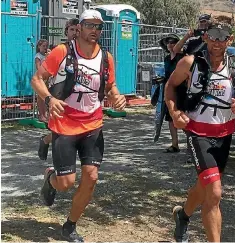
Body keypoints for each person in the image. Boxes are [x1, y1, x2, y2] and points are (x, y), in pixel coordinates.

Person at [30, 10, 126, 242]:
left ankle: (70, 225)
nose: (95, 30)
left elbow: (110, 86)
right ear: (79, 27)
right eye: (90, 25)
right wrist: (50, 99)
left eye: (99, 27)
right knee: (66, 183)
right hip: (64, 125)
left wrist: (117, 96)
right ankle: (51, 178)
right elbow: (37, 79)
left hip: (93, 124)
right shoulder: (63, 52)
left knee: (91, 178)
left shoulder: (106, 57)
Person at [165, 22, 235, 242]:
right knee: (214, 193)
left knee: (205, 187)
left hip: (224, 135)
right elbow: (170, 86)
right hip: (198, 134)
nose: (217, 42)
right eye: (213, 37)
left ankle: (183, 215)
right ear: (205, 37)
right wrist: (175, 112)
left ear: (230, 40)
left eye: (222, 37)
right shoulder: (191, 63)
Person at [38, 18, 80, 161]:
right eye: (72, 30)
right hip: (59, 97)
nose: (75, 33)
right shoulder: (60, 51)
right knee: (60, 131)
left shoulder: (85, 52)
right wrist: (46, 102)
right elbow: (40, 78)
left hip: (77, 100)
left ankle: (46, 141)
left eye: (77, 30)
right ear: (66, 31)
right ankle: (45, 141)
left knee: (71, 131)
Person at [159, 34, 185, 152]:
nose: (170, 44)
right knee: (170, 117)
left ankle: (192, 147)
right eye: (168, 42)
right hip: (169, 90)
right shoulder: (166, 58)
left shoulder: (183, 58)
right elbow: (168, 75)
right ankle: (175, 144)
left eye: (173, 42)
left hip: (182, 90)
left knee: (184, 117)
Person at [35, 39, 50, 123]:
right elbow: (38, 67)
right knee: (41, 97)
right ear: (39, 47)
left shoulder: (46, 55)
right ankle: (41, 115)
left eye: (46, 46)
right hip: (40, 78)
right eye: (43, 46)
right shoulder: (38, 56)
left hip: (47, 78)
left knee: (46, 97)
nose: (45, 48)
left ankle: (45, 114)